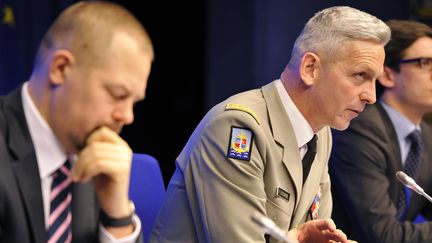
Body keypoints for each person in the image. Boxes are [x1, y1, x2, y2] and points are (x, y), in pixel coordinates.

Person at [149, 6, 390, 243]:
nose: (371, 96)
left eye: (374, 81)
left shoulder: (322, 132)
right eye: (360, 76)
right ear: (310, 69)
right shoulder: (237, 127)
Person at [0, 1, 154, 242]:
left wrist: (117, 217)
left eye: (133, 102)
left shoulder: (97, 163)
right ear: (60, 69)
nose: (127, 116)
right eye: (117, 94)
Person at [329, 20, 432, 243]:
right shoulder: (360, 130)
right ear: (387, 75)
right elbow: (382, 235)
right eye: (424, 63)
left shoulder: (426, 136)